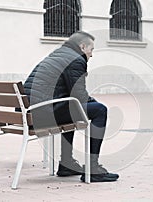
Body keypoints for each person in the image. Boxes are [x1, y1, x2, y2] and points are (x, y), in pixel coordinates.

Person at [23, 31, 119, 182]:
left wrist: (89, 101)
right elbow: (79, 95)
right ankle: (92, 169)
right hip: (44, 114)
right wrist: (93, 102)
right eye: (91, 49)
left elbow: (73, 96)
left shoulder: (59, 54)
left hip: (31, 112)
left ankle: (66, 163)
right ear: (82, 46)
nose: (92, 55)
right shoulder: (75, 60)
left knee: (73, 108)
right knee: (100, 110)